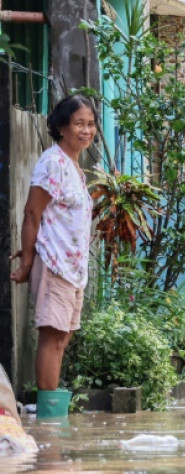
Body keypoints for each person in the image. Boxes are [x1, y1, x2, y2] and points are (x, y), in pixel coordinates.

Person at [9, 94, 97, 413]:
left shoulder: (75, 166)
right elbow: (33, 213)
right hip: (55, 263)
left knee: (63, 338)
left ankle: (52, 416)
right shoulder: (53, 161)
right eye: (79, 124)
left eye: (90, 124)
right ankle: (49, 418)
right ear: (62, 127)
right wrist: (28, 259)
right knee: (52, 335)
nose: (86, 130)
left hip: (74, 268)